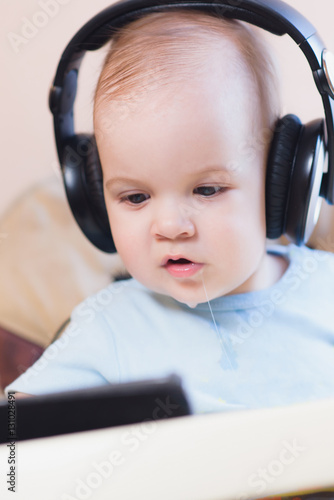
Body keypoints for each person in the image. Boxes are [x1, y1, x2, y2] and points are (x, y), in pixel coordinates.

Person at [5, 8, 334, 414]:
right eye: (135, 198)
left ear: (281, 185)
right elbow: (16, 437)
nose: (169, 227)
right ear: (93, 199)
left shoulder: (326, 291)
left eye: (207, 189)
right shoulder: (110, 325)